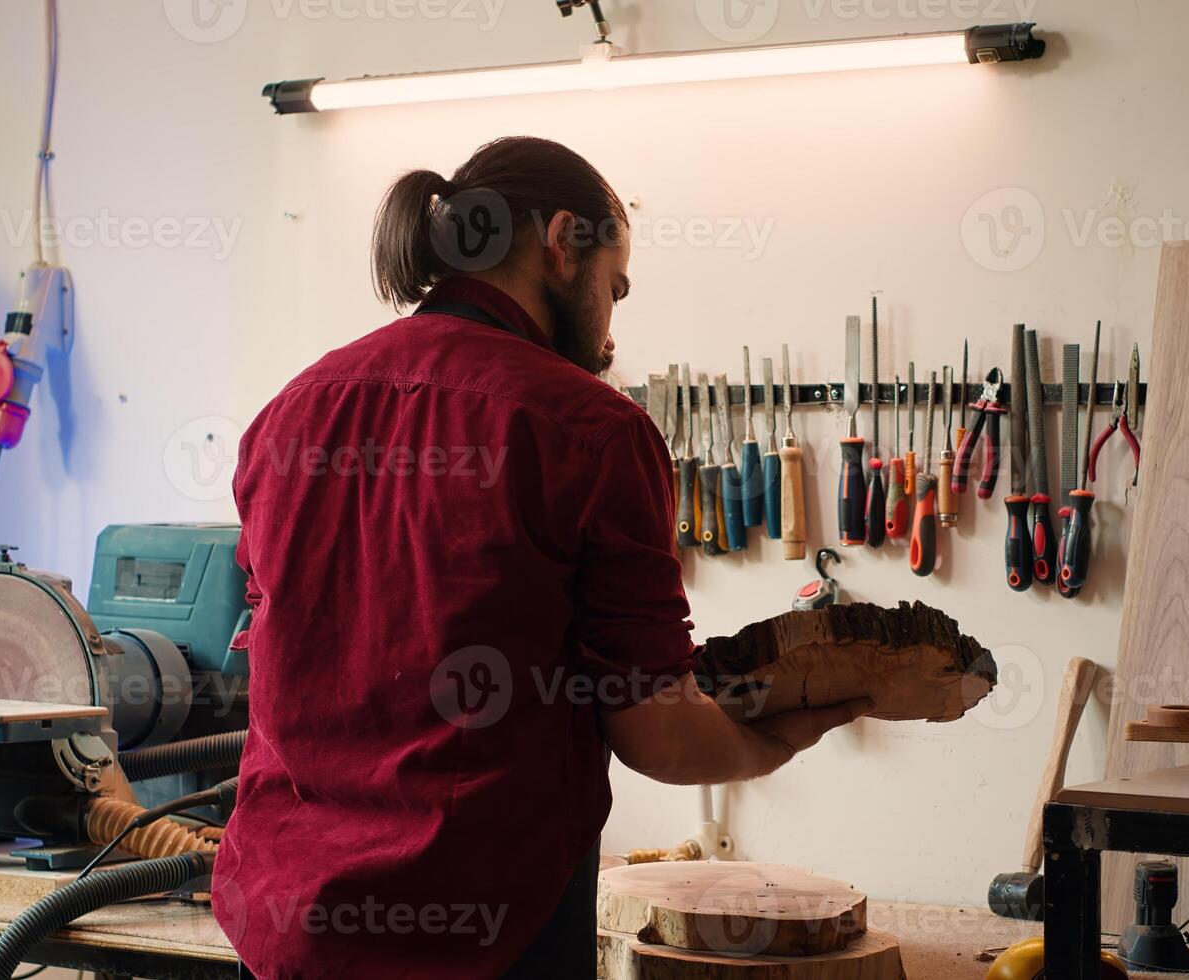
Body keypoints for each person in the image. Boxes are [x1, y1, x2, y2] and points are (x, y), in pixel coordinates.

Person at [213, 136, 871, 979]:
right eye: (613, 287)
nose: (607, 330)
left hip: (284, 927)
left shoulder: (290, 413)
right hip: (481, 937)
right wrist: (778, 739)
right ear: (562, 242)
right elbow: (660, 739)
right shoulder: (588, 428)